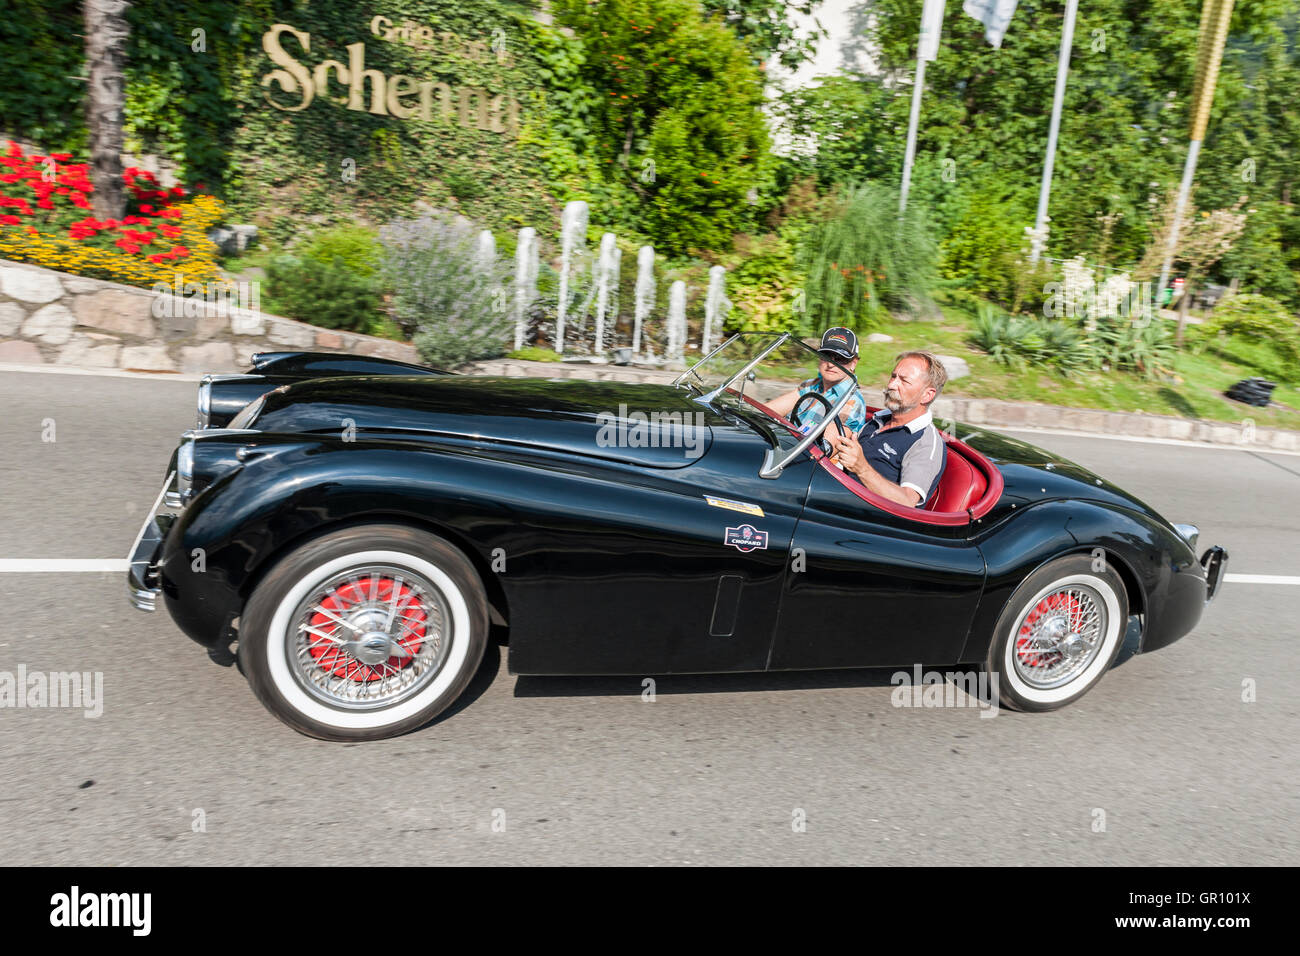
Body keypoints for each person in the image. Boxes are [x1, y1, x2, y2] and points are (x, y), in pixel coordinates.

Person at [827, 351, 948, 508]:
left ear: (927, 395)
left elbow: (907, 501)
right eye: (893, 376)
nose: (891, 385)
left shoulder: (926, 443)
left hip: (864, 524)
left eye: (904, 381)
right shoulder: (877, 421)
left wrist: (862, 468)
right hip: (833, 499)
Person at [766, 327, 868, 435]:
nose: (830, 364)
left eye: (840, 358)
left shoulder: (852, 402)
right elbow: (768, 411)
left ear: (853, 363)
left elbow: (826, 447)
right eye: (826, 355)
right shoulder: (810, 385)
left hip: (800, 450)